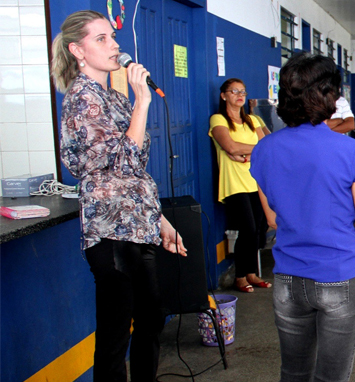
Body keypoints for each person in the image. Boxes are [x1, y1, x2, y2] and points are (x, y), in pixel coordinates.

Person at [53, 10, 187, 380]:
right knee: (115, 337)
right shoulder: (83, 99)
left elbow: (136, 169)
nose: (114, 45)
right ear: (77, 51)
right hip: (111, 234)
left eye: (112, 37)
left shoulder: (111, 96)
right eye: (101, 39)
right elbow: (121, 165)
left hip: (136, 226)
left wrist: (159, 220)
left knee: (151, 319)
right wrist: (142, 102)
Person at [251, 53, 355, 381]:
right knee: (332, 376)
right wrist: (344, 260)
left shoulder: (264, 149)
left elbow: (274, 219)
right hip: (341, 273)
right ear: (329, 97)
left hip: (288, 279)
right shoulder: (349, 151)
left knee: (293, 372)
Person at [210, 78, 272, 293]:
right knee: (247, 228)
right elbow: (230, 146)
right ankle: (239, 277)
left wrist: (243, 154)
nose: (240, 95)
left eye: (243, 91)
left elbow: (268, 146)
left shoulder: (252, 120)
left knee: (258, 231)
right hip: (234, 183)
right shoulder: (218, 120)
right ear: (224, 95)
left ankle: (252, 274)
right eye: (234, 91)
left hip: (255, 181)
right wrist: (242, 150)